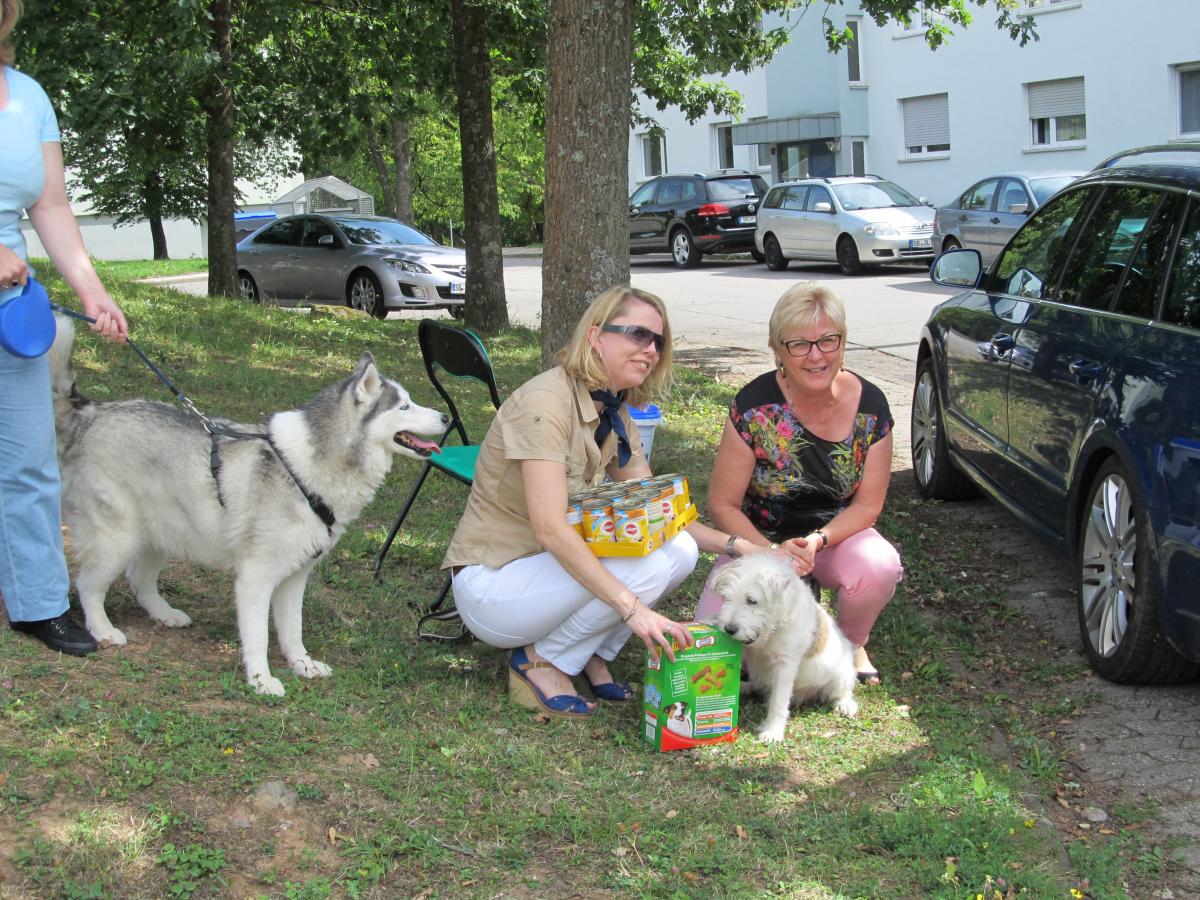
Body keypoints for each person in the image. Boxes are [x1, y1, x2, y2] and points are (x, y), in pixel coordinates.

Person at [443, 286, 774, 718]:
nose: (651, 349)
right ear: (597, 337)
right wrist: (633, 610)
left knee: (680, 549)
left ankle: (592, 649)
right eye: (637, 334)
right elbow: (548, 528)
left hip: (543, 575)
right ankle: (543, 660)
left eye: (658, 340)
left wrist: (739, 547)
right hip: (493, 586)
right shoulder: (545, 405)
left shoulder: (611, 410)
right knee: (648, 564)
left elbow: (662, 515)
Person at [1, 0, 128, 656]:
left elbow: (49, 204)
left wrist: (93, 292)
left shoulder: (28, 98)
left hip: (9, 302)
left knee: (29, 461)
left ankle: (38, 603)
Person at [696, 283, 902, 684]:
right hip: (759, 540)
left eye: (828, 340)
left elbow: (868, 506)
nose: (816, 355)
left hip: (832, 539)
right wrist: (768, 552)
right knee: (718, 648)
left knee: (878, 566)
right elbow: (723, 504)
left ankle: (849, 644)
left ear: (843, 341)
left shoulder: (872, 406)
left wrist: (817, 541)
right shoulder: (754, 406)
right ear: (777, 349)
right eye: (800, 344)